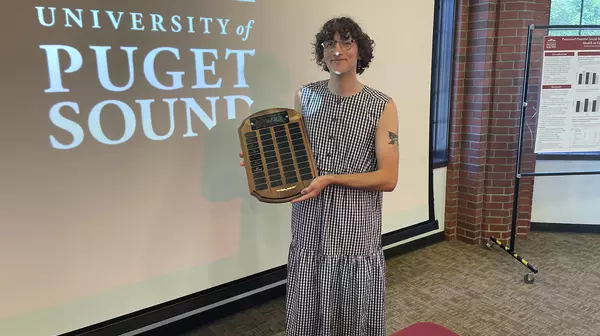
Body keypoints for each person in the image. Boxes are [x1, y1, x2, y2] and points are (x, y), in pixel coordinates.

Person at [239, 16, 399, 336]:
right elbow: (297, 155)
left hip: (354, 224)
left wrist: (331, 178)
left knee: (352, 309)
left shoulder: (382, 105)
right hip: (309, 218)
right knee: (310, 296)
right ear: (322, 53)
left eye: (346, 42)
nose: (337, 50)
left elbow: (388, 178)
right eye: (329, 44)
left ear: (359, 51)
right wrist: (264, 159)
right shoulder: (305, 97)